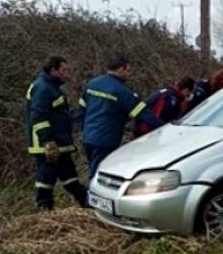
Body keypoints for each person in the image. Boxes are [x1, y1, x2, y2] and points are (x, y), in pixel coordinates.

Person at [78, 54, 163, 179]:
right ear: (120, 69)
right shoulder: (122, 91)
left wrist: (84, 129)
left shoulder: (92, 84)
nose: (129, 74)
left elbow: (81, 110)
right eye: (128, 71)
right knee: (99, 175)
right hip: (106, 139)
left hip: (88, 137)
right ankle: (93, 197)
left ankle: (92, 195)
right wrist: (166, 128)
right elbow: (143, 114)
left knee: (94, 168)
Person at [25, 55, 87, 210]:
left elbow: (58, 114)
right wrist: (48, 141)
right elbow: (38, 117)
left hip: (59, 141)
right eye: (63, 70)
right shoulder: (43, 88)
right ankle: (44, 207)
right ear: (53, 70)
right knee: (46, 176)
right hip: (47, 143)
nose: (66, 73)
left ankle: (85, 201)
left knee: (69, 173)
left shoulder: (52, 86)